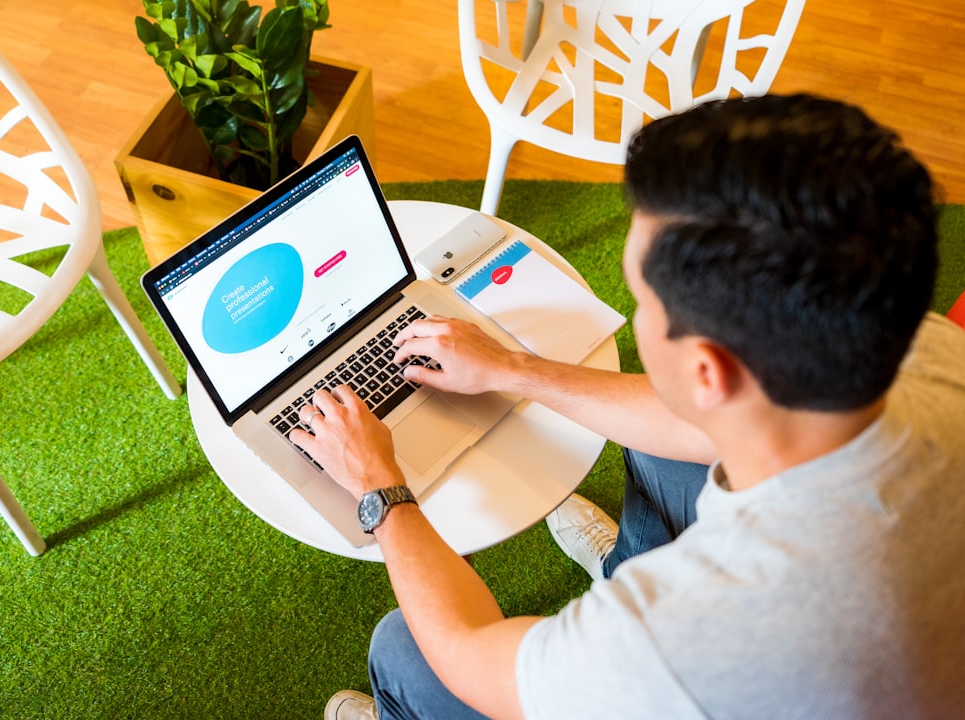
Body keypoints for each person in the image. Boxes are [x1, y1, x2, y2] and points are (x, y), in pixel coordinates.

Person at [291, 93, 965, 719]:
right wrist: (512, 367)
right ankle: (622, 572)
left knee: (404, 649)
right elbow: (694, 422)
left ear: (709, 369)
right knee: (661, 451)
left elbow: (472, 656)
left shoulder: (697, 630)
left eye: (645, 300)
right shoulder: (926, 348)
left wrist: (382, 490)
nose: (638, 313)